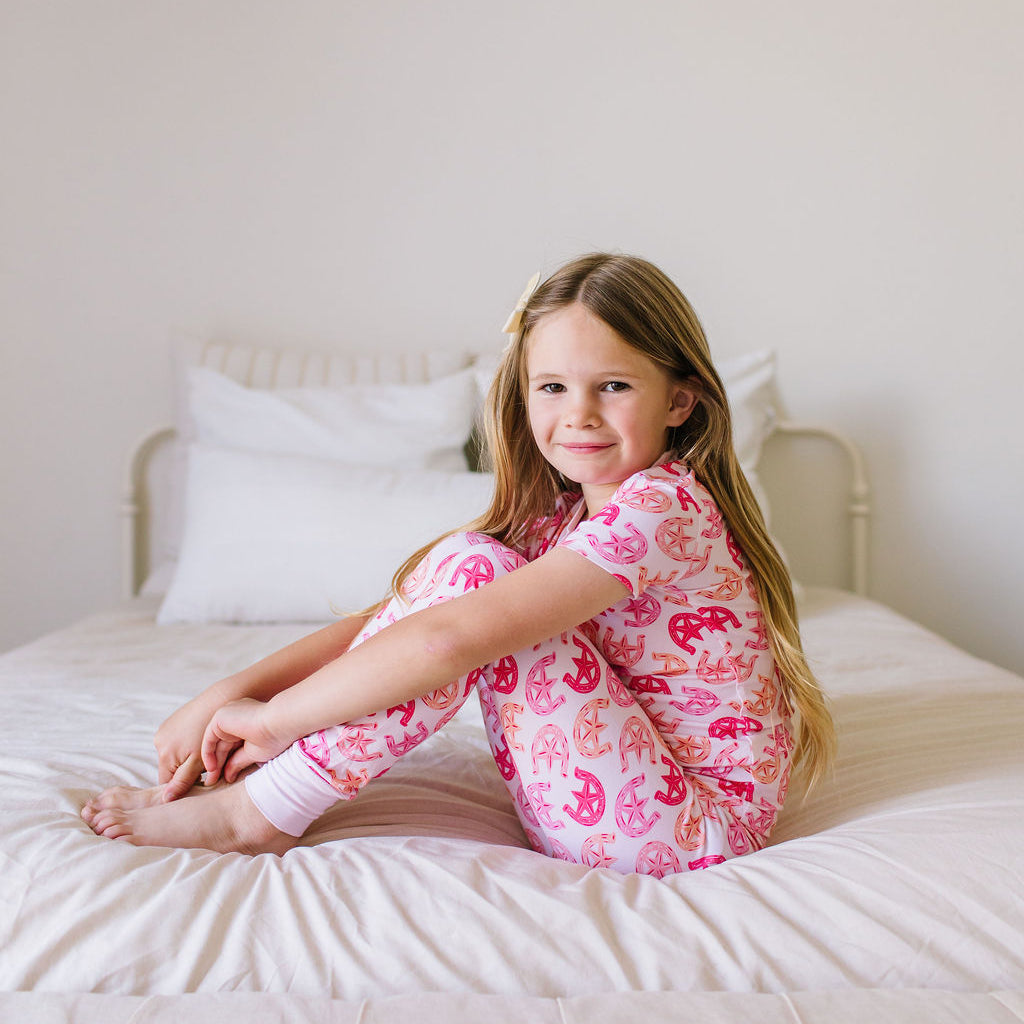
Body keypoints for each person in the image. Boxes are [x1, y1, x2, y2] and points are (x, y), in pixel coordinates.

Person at [83, 253, 834, 876]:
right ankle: (268, 794)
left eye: (613, 385)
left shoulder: (661, 510)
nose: (578, 414)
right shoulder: (565, 515)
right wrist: (234, 691)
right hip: (636, 800)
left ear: (679, 402)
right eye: (553, 387)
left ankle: (256, 815)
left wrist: (275, 720)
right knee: (469, 567)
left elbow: (446, 640)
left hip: (686, 833)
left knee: (474, 574)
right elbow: (399, 623)